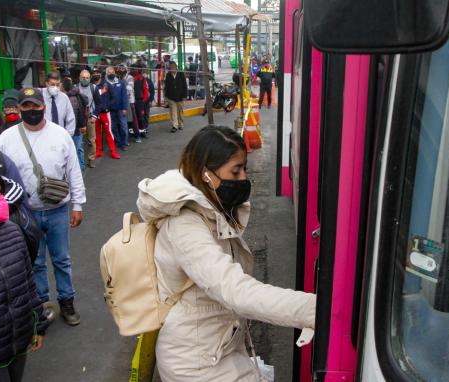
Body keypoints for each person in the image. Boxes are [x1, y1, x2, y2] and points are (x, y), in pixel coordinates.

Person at [136, 126, 316, 381]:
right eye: (235, 171)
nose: (243, 179)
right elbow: (236, 291)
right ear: (205, 173)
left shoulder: (208, 207)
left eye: (245, 169)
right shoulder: (185, 226)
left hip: (216, 348)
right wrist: (315, 308)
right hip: (196, 365)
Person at [0, 88, 87, 327]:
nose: (31, 111)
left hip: (57, 210)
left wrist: (78, 204)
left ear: (43, 107)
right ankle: (43, 306)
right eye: (26, 106)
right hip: (25, 213)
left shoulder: (60, 135)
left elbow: (74, 172)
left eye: (35, 106)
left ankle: (67, 301)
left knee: (61, 259)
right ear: (20, 108)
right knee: (34, 262)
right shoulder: (6, 138)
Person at [0, 164, 48, 382]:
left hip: (19, 341)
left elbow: (28, 283)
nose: (0, 199)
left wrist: (38, 324)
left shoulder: (12, 232)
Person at [62, 77, 88, 173]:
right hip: (78, 128)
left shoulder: (70, 98)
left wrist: (78, 127)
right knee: (79, 149)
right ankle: (81, 166)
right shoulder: (75, 94)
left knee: (75, 149)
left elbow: (74, 116)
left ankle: (79, 169)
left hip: (75, 129)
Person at [93, 70, 121, 160]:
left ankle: (113, 151)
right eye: (94, 73)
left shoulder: (107, 85)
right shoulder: (91, 86)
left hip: (105, 113)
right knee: (96, 133)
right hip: (95, 114)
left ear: (101, 75)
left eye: (98, 73)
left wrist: (107, 106)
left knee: (109, 132)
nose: (96, 75)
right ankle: (98, 151)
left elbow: (114, 97)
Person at [76, 70, 100, 168]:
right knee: (79, 141)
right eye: (83, 77)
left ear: (90, 78)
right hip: (79, 119)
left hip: (90, 118)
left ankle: (92, 159)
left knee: (91, 140)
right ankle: (80, 161)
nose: (85, 79)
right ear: (79, 78)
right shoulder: (75, 88)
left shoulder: (93, 88)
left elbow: (99, 103)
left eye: (87, 78)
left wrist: (95, 116)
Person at [41, 71, 76, 135]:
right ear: (47, 83)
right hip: (43, 135)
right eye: (52, 84)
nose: (55, 87)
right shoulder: (39, 95)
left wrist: (67, 135)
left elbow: (70, 118)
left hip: (60, 135)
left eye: (57, 85)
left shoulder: (64, 98)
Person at [106, 66, 129, 151]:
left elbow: (124, 96)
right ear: (106, 73)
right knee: (113, 127)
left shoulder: (121, 82)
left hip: (120, 109)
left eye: (112, 72)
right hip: (110, 110)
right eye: (109, 72)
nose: (111, 73)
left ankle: (124, 143)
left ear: (115, 73)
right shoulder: (105, 84)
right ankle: (118, 142)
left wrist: (125, 108)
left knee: (123, 127)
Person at [164, 62, 187, 133]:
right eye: (171, 68)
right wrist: (166, 98)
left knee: (180, 111)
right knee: (173, 112)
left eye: (173, 67)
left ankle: (180, 123)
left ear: (176, 67)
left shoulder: (181, 74)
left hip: (180, 97)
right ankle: (175, 125)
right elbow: (166, 87)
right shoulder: (168, 75)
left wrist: (184, 96)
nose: (172, 69)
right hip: (171, 97)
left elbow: (185, 85)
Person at [133, 65, 150, 140]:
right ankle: (139, 133)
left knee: (139, 118)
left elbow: (146, 92)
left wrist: (143, 101)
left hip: (139, 101)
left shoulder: (142, 79)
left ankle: (141, 132)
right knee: (139, 118)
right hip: (136, 101)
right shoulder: (133, 79)